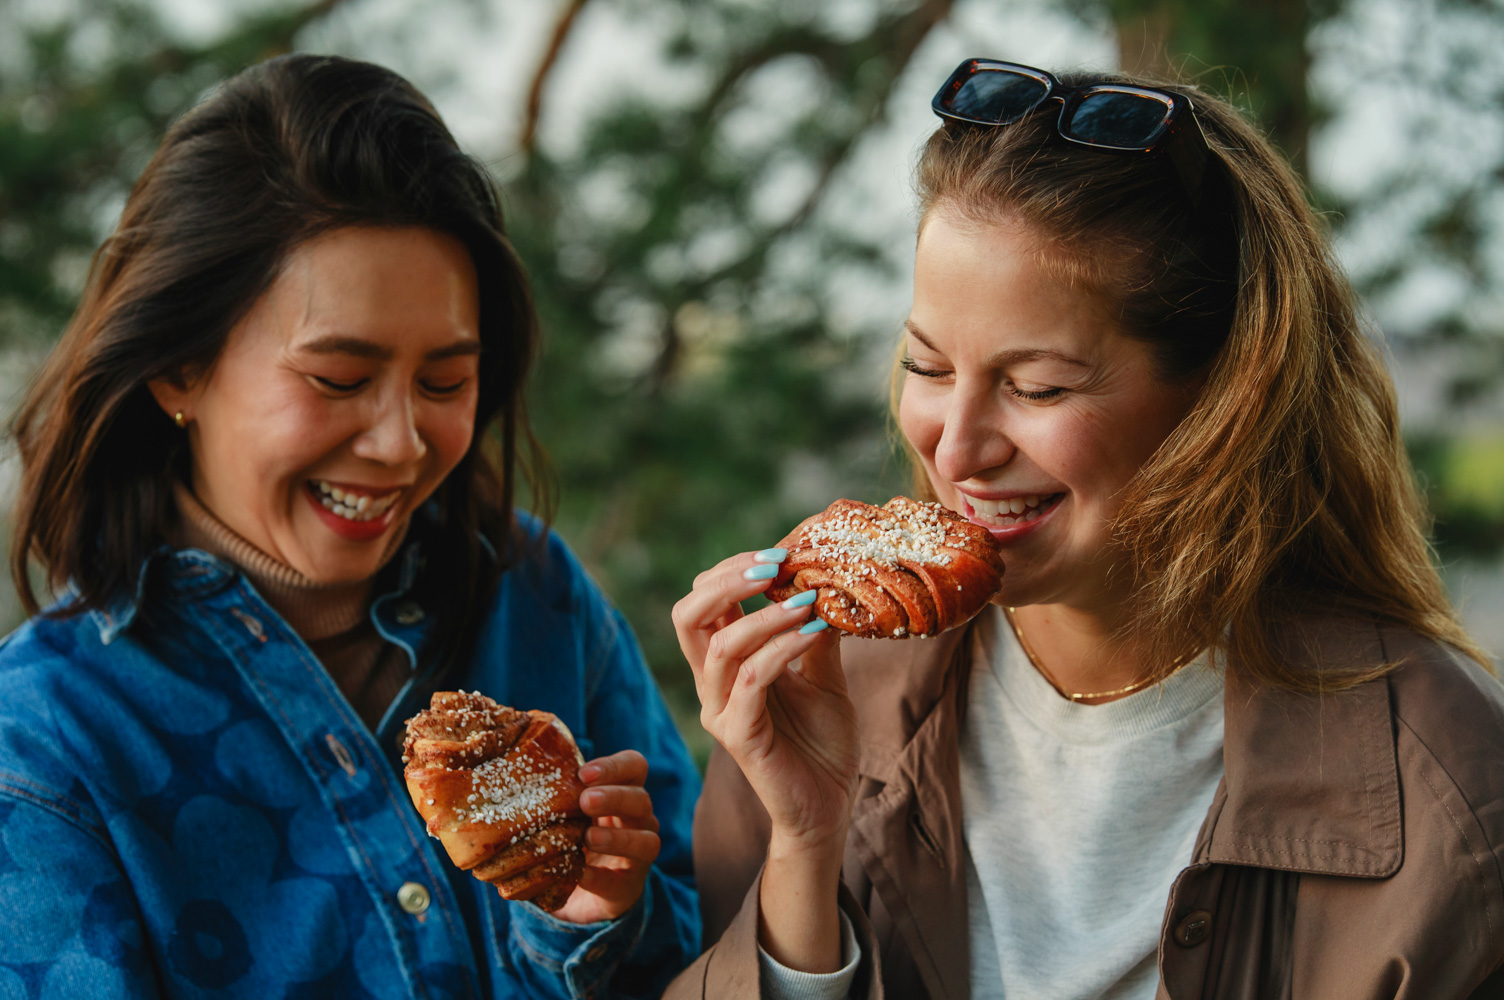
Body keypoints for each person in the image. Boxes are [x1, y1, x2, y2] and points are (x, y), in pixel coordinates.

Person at [666, 59, 1504, 999]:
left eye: (1037, 388)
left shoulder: (1452, 801)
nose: (958, 449)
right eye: (928, 367)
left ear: (1229, 399)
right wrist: (803, 847)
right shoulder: (816, 693)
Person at [0, 54, 698, 999]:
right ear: (178, 368)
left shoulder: (533, 596)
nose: (400, 442)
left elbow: (710, 935)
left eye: (445, 381)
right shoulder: (41, 747)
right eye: (338, 379)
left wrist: (591, 923)